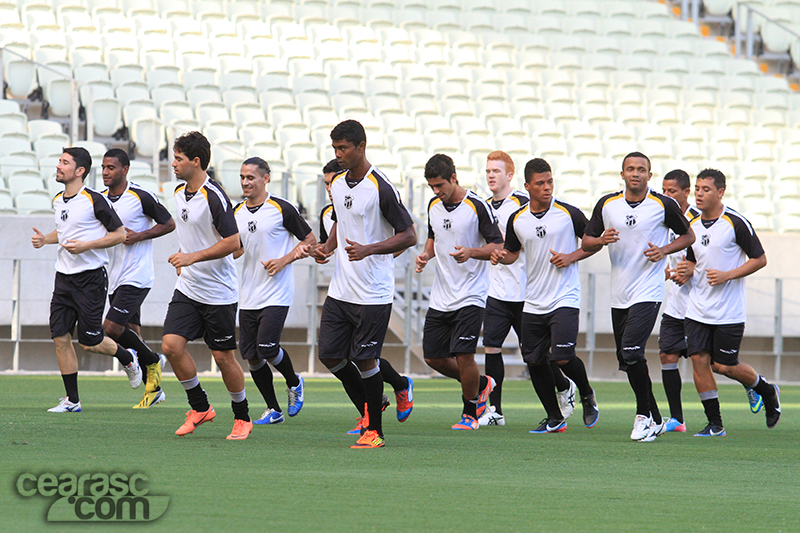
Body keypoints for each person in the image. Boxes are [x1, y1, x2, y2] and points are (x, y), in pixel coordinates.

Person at [310, 120, 416, 449]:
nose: (338, 155)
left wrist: (369, 249)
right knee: (329, 354)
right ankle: (380, 401)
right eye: (335, 149)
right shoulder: (339, 184)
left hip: (372, 291)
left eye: (343, 148)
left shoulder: (380, 187)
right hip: (342, 289)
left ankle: (374, 430)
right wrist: (327, 248)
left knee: (366, 360)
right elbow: (342, 221)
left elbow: (409, 234)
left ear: (361, 147)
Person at [582, 152, 695, 442]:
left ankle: (643, 416)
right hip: (619, 291)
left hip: (648, 289)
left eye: (641, 169)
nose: (636, 173)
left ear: (649, 175)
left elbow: (688, 236)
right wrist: (600, 240)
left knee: (633, 351)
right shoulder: (607, 204)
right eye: (630, 169)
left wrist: (664, 251)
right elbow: (587, 241)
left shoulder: (663, 204)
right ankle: (657, 417)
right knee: (627, 359)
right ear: (622, 174)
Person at [491, 158, 599, 433]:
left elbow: (591, 243)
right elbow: (513, 253)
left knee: (561, 357)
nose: (547, 187)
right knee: (534, 360)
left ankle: (586, 393)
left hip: (565, 297)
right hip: (534, 300)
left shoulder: (569, 213)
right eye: (540, 183)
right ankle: (554, 417)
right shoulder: (518, 218)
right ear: (527, 186)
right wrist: (499, 256)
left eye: (550, 181)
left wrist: (570, 257)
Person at [32, 147, 141, 412]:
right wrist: (45, 239)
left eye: (65, 163)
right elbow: (66, 231)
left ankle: (128, 358)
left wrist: (87, 246)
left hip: (90, 279)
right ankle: (72, 400)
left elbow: (118, 234)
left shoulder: (94, 199)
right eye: (59, 161)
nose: (59, 166)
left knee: (90, 341)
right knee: (59, 337)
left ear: (80, 171)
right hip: (63, 279)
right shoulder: (59, 199)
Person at [675, 168, 780, 436]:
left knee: (723, 366)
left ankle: (765, 389)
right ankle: (715, 424)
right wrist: (685, 271)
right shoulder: (692, 225)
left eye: (706, 189)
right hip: (697, 308)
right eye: (697, 189)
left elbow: (760, 259)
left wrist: (727, 275)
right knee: (698, 361)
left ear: (720, 192)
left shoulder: (736, 222)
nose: (699, 194)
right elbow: (691, 259)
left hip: (728, 312)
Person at [161, 131, 251, 440]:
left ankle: (242, 416)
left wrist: (193, 257)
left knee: (223, 357)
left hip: (218, 292)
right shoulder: (177, 192)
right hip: (189, 288)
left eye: (179, 158)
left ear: (196, 162)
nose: (173, 163)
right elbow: (191, 234)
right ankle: (200, 408)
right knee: (171, 346)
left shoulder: (214, 196)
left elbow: (234, 242)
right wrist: (184, 261)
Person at [416, 153, 503, 430]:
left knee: (464, 354)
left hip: (471, 294)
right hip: (441, 295)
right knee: (432, 356)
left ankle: (470, 413)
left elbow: (497, 245)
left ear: (454, 178)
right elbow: (433, 236)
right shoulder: (433, 205)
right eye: (432, 187)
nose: (436, 191)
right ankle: (481, 384)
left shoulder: (476, 206)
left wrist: (471, 252)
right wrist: (426, 255)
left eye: (440, 185)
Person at [233, 157, 313, 425]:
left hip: (276, 292)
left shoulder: (282, 208)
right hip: (248, 294)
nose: (245, 182)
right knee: (252, 357)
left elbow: (310, 241)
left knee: (267, 347)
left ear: (266, 178)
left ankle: (294, 381)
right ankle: (273, 409)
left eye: (251, 177)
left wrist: (284, 261)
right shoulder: (237, 213)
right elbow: (237, 248)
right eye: (242, 177)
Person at [101, 148, 175, 409]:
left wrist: (139, 235)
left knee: (110, 328)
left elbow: (168, 223)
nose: (106, 172)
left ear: (125, 169)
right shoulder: (99, 199)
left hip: (137, 276)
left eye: (111, 167)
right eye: (103, 167)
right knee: (131, 332)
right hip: (114, 275)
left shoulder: (140, 196)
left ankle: (152, 358)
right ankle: (154, 391)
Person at [479, 151, 528, 426]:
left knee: (535, 355)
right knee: (491, 348)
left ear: (510, 175)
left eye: (496, 171)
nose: (490, 175)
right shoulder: (483, 206)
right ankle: (495, 410)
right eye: (488, 171)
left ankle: (564, 387)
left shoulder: (523, 204)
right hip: (496, 291)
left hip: (525, 292)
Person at [657, 169, 702, 432]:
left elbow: (712, 259)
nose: (666, 196)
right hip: (675, 303)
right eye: (664, 191)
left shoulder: (699, 220)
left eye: (671, 191)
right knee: (666, 354)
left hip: (700, 304)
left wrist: (692, 270)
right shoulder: (664, 218)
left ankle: (756, 384)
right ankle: (677, 419)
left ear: (686, 192)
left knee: (714, 363)